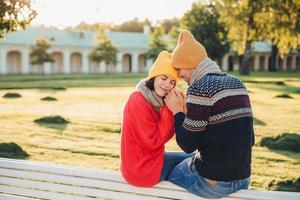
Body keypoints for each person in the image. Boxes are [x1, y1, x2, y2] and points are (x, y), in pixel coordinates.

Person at [164, 30, 255, 198]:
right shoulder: (236, 82)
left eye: (178, 68)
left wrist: (177, 111)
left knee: (165, 171)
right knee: (173, 159)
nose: (178, 75)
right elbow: (248, 139)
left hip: (214, 182)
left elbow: (187, 145)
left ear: (189, 63)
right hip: (243, 178)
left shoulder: (200, 88)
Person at [120, 51, 190, 187]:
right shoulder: (138, 99)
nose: (167, 85)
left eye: (172, 82)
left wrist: (180, 109)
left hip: (146, 164)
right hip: (142, 171)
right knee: (197, 160)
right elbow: (153, 142)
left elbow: (167, 134)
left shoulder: (155, 100)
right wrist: (171, 110)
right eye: (163, 78)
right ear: (153, 77)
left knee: (195, 157)